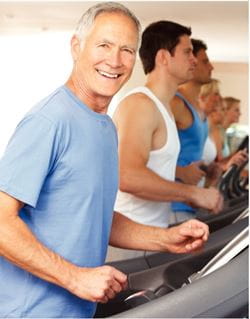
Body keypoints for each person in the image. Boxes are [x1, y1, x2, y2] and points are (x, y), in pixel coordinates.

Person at [0, 3, 211, 318]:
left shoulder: (104, 127)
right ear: (77, 47)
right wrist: (75, 277)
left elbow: (94, 214)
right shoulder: (50, 120)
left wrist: (164, 238)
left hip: (77, 309)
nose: (115, 61)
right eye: (104, 45)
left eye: (127, 49)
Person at [106, 21, 222, 262]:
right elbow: (127, 176)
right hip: (127, 243)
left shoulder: (163, 108)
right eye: (187, 52)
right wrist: (192, 194)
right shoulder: (140, 105)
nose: (193, 60)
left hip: (148, 237)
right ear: (163, 57)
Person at [170, 39, 219, 222]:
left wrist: (209, 169)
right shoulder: (175, 103)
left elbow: (190, 154)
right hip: (172, 205)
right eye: (205, 61)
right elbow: (149, 156)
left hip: (192, 202)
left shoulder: (198, 108)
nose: (211, 67)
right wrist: (180, 172)